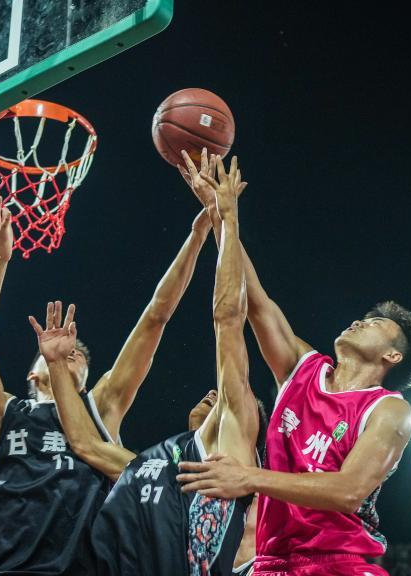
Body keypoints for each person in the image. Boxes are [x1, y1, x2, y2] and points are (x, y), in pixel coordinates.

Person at [176, 155, 411, 576]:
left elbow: (348, 491)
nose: (359, 321)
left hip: (341, 565)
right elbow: (252, 296)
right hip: (271, 563)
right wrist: (224, 215)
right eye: (363, 316)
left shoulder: (389, 410)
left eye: (375, 324)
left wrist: (250, 477)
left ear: (392, 356)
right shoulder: (303, 368)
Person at [0, 187, 215, 574]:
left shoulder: (102, 407)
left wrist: (198, 233)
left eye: (82, 358)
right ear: (33, 372)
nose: (75, 352)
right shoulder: (5, 412)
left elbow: (155, 317)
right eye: (66, 353)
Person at [29, 154, 261, 576]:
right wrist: (58, 365)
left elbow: (228, 318)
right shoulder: (163, 464)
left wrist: (228, 218)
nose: (211, 396)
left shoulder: (230, 459)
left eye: (224, 398)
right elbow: (85, 444)